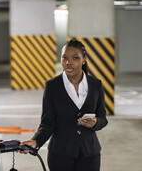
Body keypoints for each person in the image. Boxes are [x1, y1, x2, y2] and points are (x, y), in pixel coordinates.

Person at [20, 39, 108, 171]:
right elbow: (47, 123)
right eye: (64, 58)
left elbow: (103, 118)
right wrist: (36, 141)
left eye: (75, 58)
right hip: (60, 155)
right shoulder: (52, 86)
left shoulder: (96, 85)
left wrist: (96, 123)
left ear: (84, 59)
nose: (68, 62)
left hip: (90, 154)